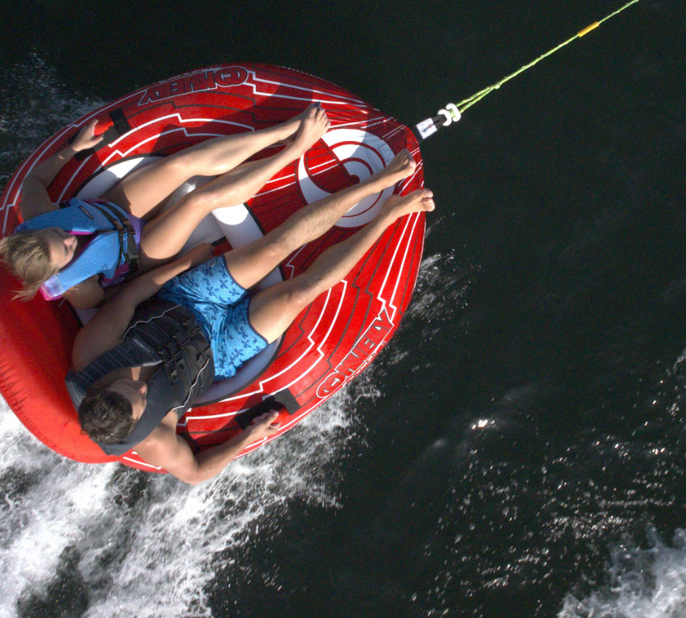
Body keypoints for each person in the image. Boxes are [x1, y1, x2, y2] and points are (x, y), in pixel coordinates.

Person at [67, 148, 435, 483]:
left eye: (129, 386)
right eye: (140, 400)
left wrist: (184, 264)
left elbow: (132, 293)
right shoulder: (152, 440)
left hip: (186, 299)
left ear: (100, 387)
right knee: (300, 293)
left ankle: (376, 181)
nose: (142, 387)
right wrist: (245, 438)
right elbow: (194, 473)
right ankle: (389, 214)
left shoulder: (91, 354)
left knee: (275, 246)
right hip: (220, 351)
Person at [0, 104, 330, 309]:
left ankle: (284, 130)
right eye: (65, 250)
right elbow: (118, 298)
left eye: (57, 232)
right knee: (200, 200)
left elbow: (32, 181)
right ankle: (292, 152)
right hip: (139, 253)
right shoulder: (76, 288)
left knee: (178, 166)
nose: (68, 237)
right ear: (56, 272)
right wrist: (176, 267)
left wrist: (73, 148)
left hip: (111, 209)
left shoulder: (37, 216)